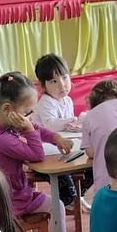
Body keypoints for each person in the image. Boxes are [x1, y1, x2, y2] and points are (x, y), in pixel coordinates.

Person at [0, 71, 74, 232]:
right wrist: (28, 130)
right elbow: (37, 154)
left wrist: (55, 137)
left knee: (55, 204)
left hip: (4, 194)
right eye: (27, 112)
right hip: (9, 200)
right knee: (57, 206)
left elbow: (34, 127)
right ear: (7, 108)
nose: (30, 118)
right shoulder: (1, 139)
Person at [33, 52, 87, 209]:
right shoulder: (46, 102)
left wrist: (77, 123)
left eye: (64, 78)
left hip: (63, 148)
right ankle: (66, 201)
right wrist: (72, 120)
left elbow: (67, 128)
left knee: (88, 166)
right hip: (48, 152)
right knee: (66, 179)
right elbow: (51, 125)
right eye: (54, 81)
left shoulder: (67, 100)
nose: (62, 85)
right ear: (43, 86)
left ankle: (76, 197)